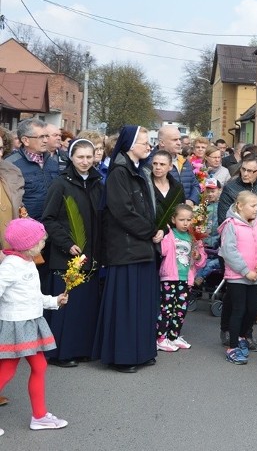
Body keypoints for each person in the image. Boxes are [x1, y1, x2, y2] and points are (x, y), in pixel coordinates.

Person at [93, 126, 163, 374]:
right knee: (126, 306)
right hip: (126, 248)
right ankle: (122, 356)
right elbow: (123, 211)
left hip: (140, 246)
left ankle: (141, 352)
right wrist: (150, 231)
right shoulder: (119, 173)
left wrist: (156, 229)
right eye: (145, 142)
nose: (148, 146)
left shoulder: (137, 170)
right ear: (131, 145)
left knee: (141, 304)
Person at [0, 218, 69, 433]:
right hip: (17, 324)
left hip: (30, 321)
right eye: (40, 242)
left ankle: (39, 416)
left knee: (38, 366)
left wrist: (53, 301)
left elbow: (33, 296)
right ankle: (39, 416)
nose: (43, 244)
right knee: (7, 371)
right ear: (26, 245)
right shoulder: (11, 266)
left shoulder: (28, 262)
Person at [41, 139, 103, 367]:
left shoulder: (98, 183)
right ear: (71, 158)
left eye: (89, 157)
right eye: (80, 157)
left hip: (91, 256)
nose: (85, 162)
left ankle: (82, 349)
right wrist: (66, 244)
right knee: (66, 307)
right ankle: (60, 353)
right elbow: (48, 219)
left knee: (84, 308)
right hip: (66, 255)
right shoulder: (61, 183)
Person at [219, 191, 257, 364]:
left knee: (253, 309)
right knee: (238, 310)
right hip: (237, 276)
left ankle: (241, 336)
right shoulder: (231, 225)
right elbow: (228, 251)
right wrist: (246, 271)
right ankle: (232, 347)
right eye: (252, 205)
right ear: (240, 206)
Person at [156, 204, 205, 353]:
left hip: (186, 278)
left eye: (189, 220)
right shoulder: (170, 234)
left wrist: (198, 256)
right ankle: (160, 338)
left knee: (180, 309)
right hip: (170, 277)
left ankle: (173, 336)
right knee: (167, 308)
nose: (185, 223)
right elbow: (162, 251)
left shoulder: (194, 237)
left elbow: (202, 261)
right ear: (173, 219)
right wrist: (163, 233)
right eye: (181, 219)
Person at [6, 118, 60, 222]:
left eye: (46, 136)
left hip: (52, 224)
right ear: (25, 140)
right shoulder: (11, 165)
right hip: (26, 227)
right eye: (41, 137)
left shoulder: (53, 162)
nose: (45, 140)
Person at [157, 125, 200, 206]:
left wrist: (192, 200)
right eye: (174, 140)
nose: (179, 143)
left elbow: (195, 185)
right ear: (162, 142)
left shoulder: (184, 161)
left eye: (179, 139)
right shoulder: (152, 163)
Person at [149, 150, 186, 234]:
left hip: (172, 234)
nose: (157, 167)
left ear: (170, 167)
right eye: (155, 163)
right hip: (151, 233)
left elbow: (180, 211)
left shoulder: (177, 187)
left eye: (162, 164)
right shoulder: (145, 185)